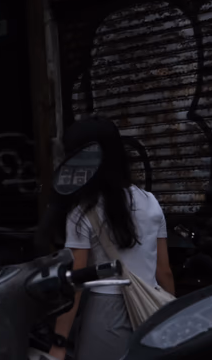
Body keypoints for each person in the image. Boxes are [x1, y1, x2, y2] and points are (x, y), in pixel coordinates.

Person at [49, 116, 175, 360]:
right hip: (150, 308)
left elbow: (75, 282)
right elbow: (164, 271)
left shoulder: (82, 211)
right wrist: (171, 315)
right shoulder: (151, 201)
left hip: (104, 315)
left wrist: (59, 341)